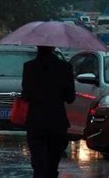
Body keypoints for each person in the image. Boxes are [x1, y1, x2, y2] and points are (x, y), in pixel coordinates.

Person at [21, 46, 75, 178]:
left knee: (39, 163)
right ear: (53, 48)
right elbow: (70, 98)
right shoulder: (65, 67)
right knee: (52, 163)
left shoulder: (29, 67)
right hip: (57, 121)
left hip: (36, 121)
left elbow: (26, 96)